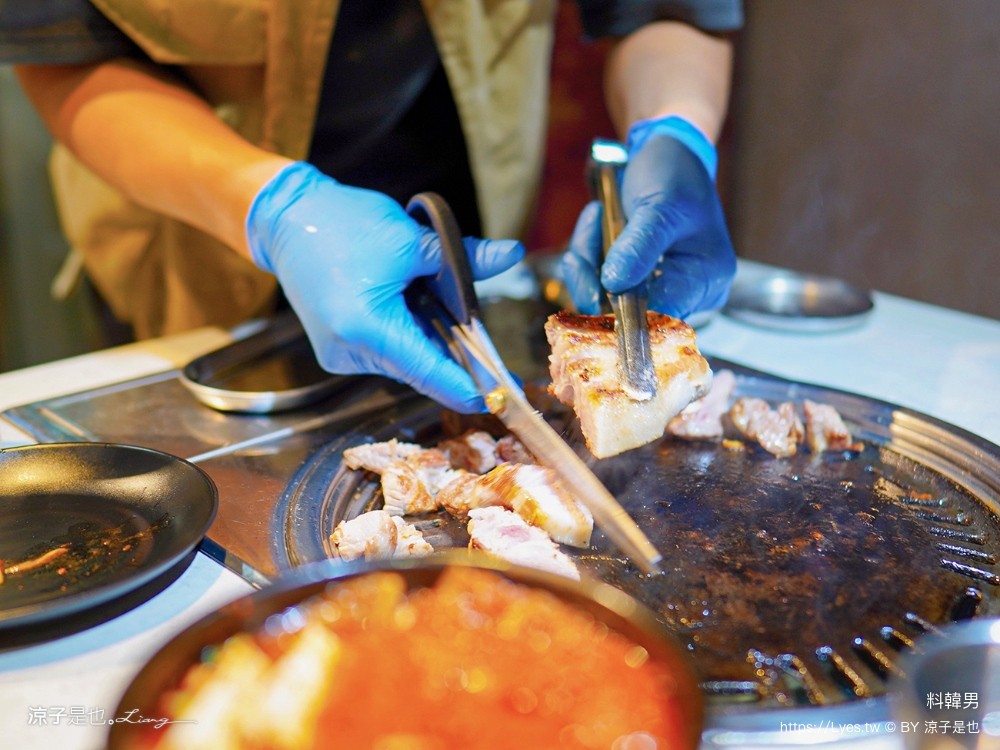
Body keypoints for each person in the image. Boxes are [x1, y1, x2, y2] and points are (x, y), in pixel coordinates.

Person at [1, 0, 740, 413]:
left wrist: (676, 130)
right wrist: (277, 209)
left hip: (463, 211)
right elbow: (65, 52)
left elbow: (663, 9)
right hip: (195, 231)